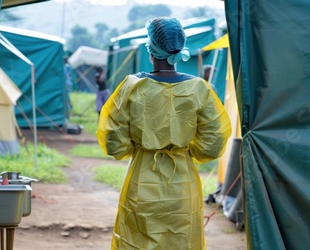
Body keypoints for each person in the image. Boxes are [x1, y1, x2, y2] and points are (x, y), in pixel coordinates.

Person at [96, 17, 232, 250]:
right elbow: (214, 140)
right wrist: (186, 151)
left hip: (142, 181)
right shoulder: (199, 88)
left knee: (135, 240)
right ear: (181, 47)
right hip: (183, 183)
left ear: (150, 49)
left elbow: (113, 141)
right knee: (181, 241)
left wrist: (138, 148)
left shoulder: (132, 86)